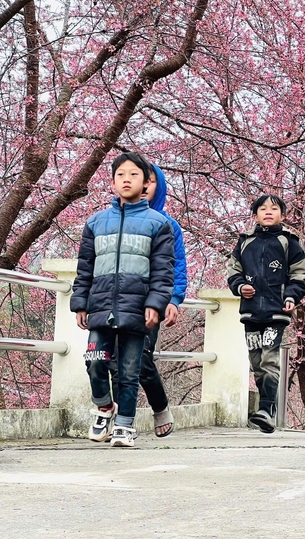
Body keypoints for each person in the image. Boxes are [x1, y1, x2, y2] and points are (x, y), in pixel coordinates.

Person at [71, 152, 175, 447]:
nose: (126, 179)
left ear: (145, 183)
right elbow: (85, 268)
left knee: (129, 371)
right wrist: (80, 303)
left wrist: (155, 303)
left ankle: (125, 425)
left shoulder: (158, 224)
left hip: (137, 309)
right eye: (120, 175)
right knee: (94, 360)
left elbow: (163, 271)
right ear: (113, 182)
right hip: (101, 306)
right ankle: (104, 406)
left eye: (134, 175)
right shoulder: (95, 223)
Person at [227, 194, 305, 433]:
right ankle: (268, 411)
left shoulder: (289, 242)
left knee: (269, 359)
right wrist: (241, 286)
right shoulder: (244, 242)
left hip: (276, 312)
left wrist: (291, 296)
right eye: (263, 208)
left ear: (282, 216)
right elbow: (233, 270)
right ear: (255, 215)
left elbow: (300, 274)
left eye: (274, 208)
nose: (268, 212)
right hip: (250, 313)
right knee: (256, 362)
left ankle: (265, 408)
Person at [138, 164, 188, 438]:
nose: (144, 185)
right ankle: (118, 417)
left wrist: (174, 299)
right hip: (115, 298)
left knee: (141, 357)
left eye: (150, 181)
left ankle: (159, 408)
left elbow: (177, 266)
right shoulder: (113, 219)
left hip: (152, 300)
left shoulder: (168, 225)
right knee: (108, 359)